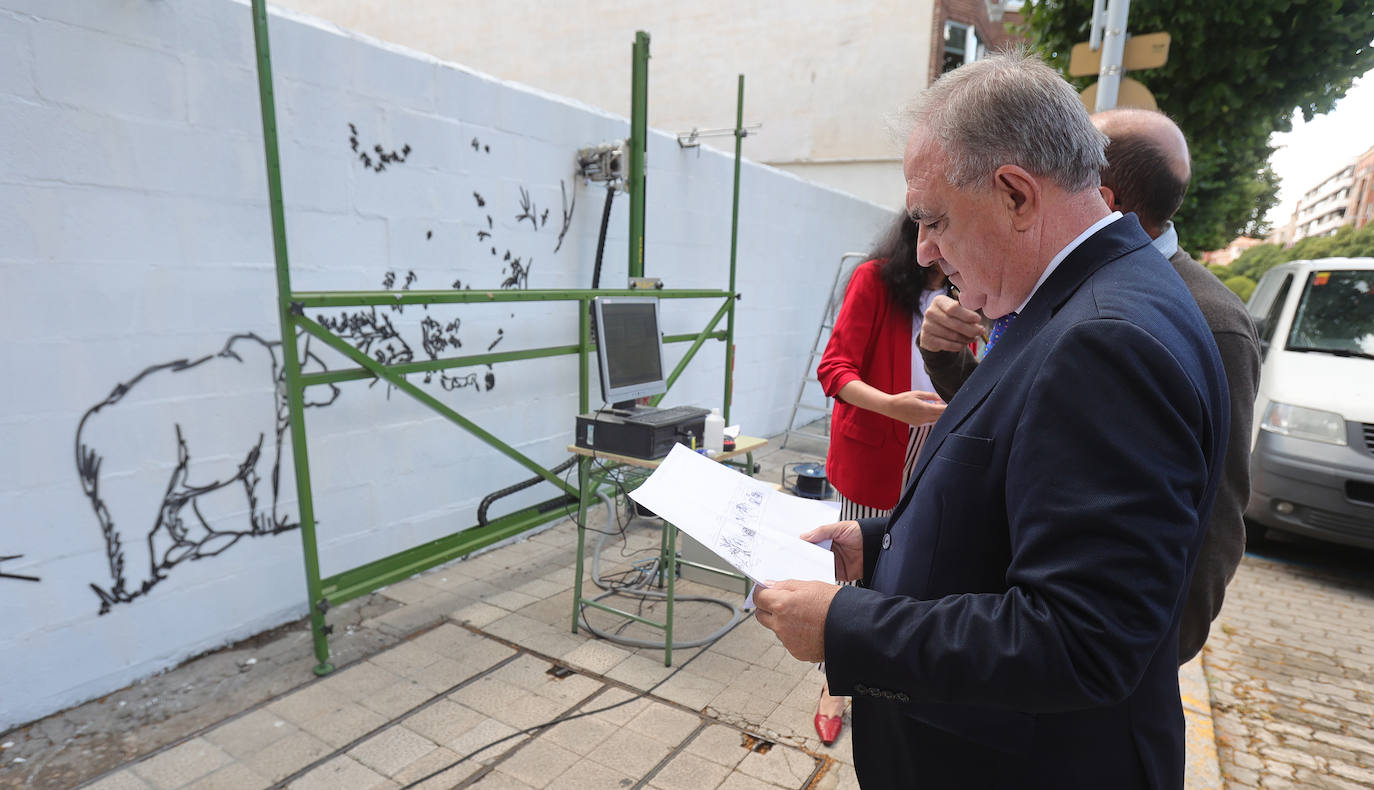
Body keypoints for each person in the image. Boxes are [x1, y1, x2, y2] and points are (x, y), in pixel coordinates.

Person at [753, 51, 1229, 789]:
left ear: (1015, 195)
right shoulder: (1085, 303)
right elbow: (1013, 512)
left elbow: (1080, 638)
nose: (926, 254)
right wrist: (875, 547)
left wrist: (847, 626)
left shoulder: (1106, 338)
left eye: (934, 220)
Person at [918, 107, 1261, 665]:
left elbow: (1214, 516)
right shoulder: (1068, 284)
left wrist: (1146, 661)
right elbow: (1017, 427)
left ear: (1101, 199)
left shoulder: (1198, 320)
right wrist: (945, 356)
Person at [811, 213, 948, 745]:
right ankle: (834, 685)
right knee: (855, 571)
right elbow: (834, 370)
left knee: (911, 569)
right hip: (874, 452)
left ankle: (889, 672)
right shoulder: (874, 279)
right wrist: (892, 405)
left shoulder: (973, 294)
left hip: (935, 449)